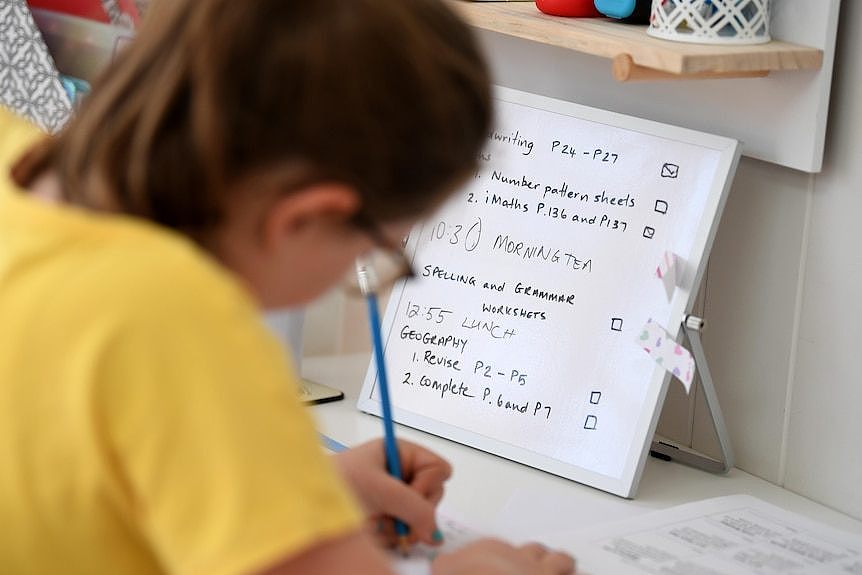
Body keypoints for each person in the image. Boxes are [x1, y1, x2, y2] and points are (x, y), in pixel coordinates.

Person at [0, 1, 576, 574]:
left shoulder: (14, 152)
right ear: (303, 219)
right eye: (376, 252)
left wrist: (290, 495)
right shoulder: (182, 320)